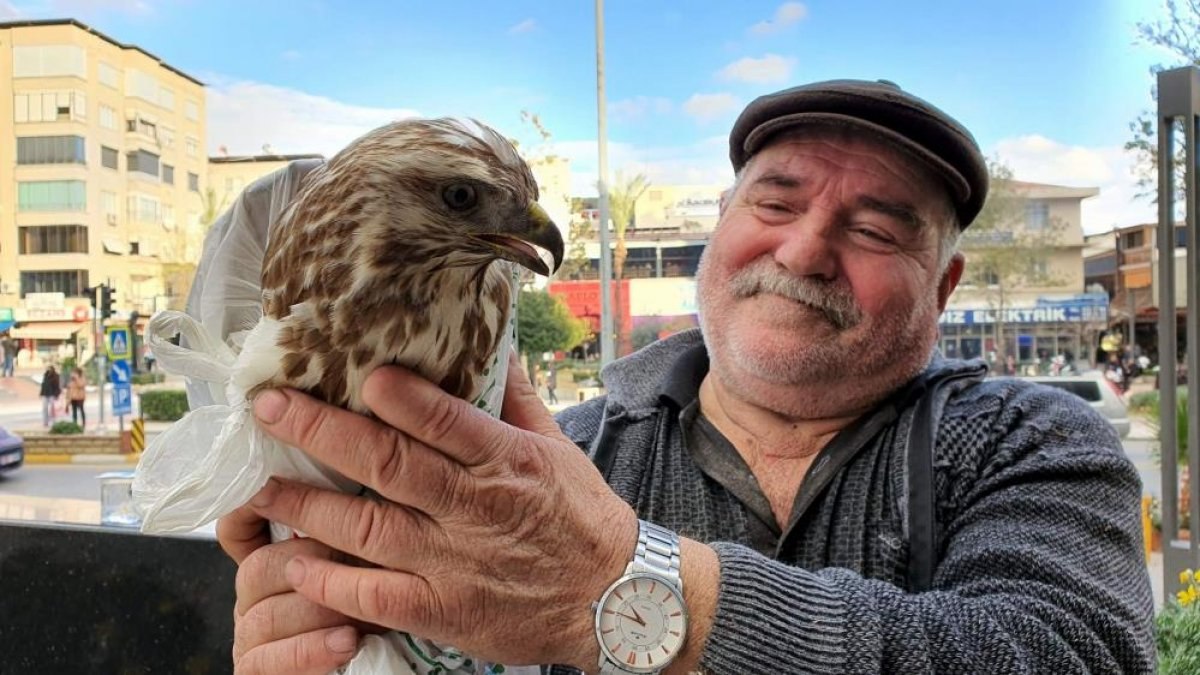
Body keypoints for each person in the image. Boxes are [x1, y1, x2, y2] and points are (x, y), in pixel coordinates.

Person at [207, 80, 1153, 674]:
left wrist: (628, 589)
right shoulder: (559, 452)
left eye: (875, 229)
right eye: (774, 201)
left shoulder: (1030, 439)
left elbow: (1068, 654)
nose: (806, 248)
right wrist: (333, 638)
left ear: (943, 286)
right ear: (718, 234)